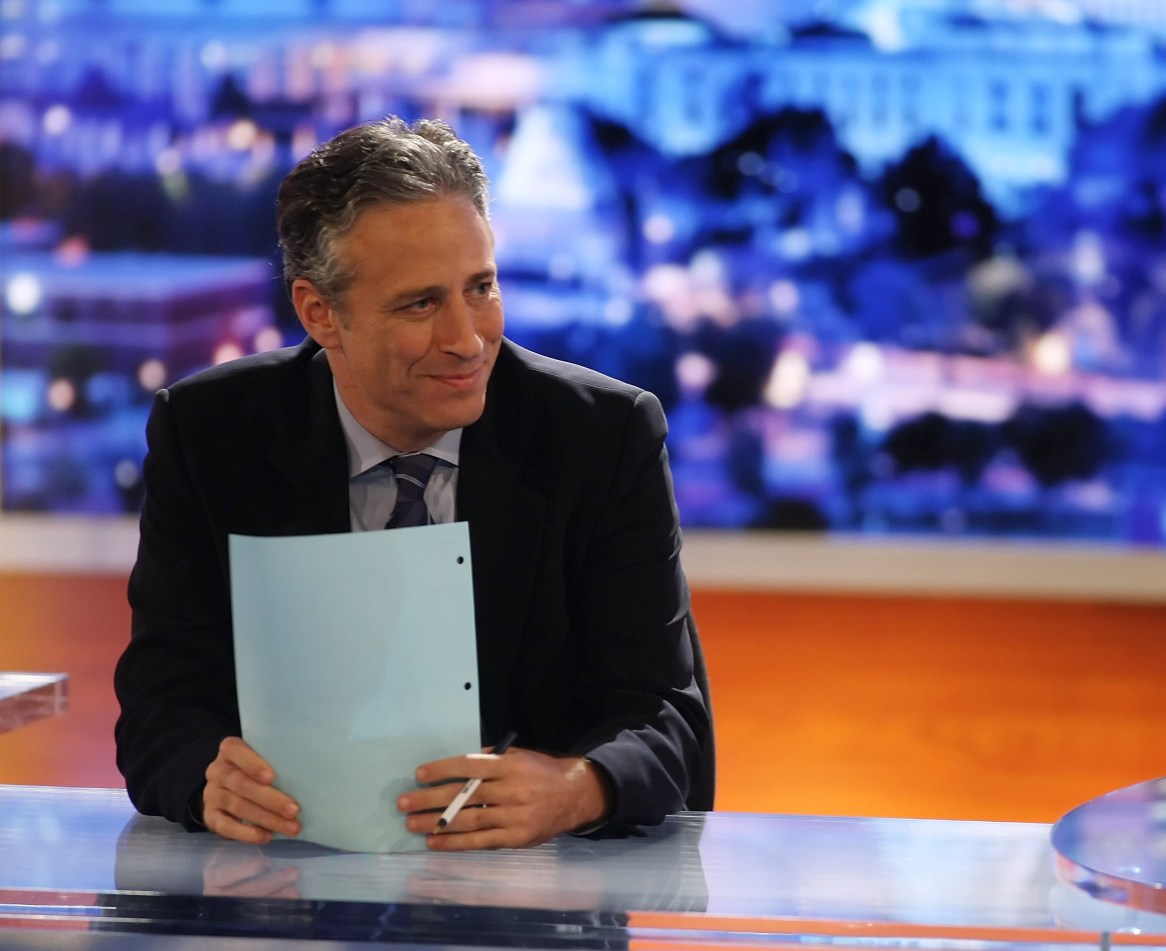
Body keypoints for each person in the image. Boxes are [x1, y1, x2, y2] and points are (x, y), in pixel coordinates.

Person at [114, 116, 715, 850]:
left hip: (535, 885)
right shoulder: (211, 433)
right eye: (421, 304)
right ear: (319, 313)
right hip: (283, 879)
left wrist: (574, 789)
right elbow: (160, 709)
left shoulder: (602, 436)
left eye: (481, 288)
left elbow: (667, 718)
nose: (467, 339)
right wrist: (207, 777)